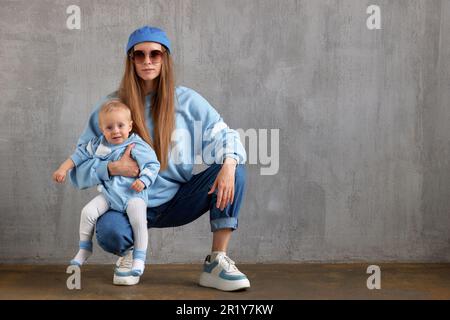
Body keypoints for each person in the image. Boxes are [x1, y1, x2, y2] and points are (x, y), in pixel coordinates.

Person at [69, 25, 249, 291]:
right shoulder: (111, 108)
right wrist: (112, 167)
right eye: (139, 55)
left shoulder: (187, 101)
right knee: (109, 233)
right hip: (126, 200)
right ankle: (129, 253)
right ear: (131, 60)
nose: (147, 61)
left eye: (155, 54)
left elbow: (225, 135)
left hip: (179, 199)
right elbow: (77, 166)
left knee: (234, 168)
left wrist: (230, 162)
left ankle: (216, 261)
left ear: (165, 58)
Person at [53, 99, 160, 276]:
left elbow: (152, 164)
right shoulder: (98, 144)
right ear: (102, 129)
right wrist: (63, 169)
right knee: (87, 212)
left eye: (120, 125)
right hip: (110, 196)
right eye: (109, 128)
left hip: (133, 195)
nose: (116, 131)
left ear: (130, 126)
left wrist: (144, 180)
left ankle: (139, 259)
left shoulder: (136, 144)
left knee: (138, 220)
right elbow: (78, 156)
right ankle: (85, 248)